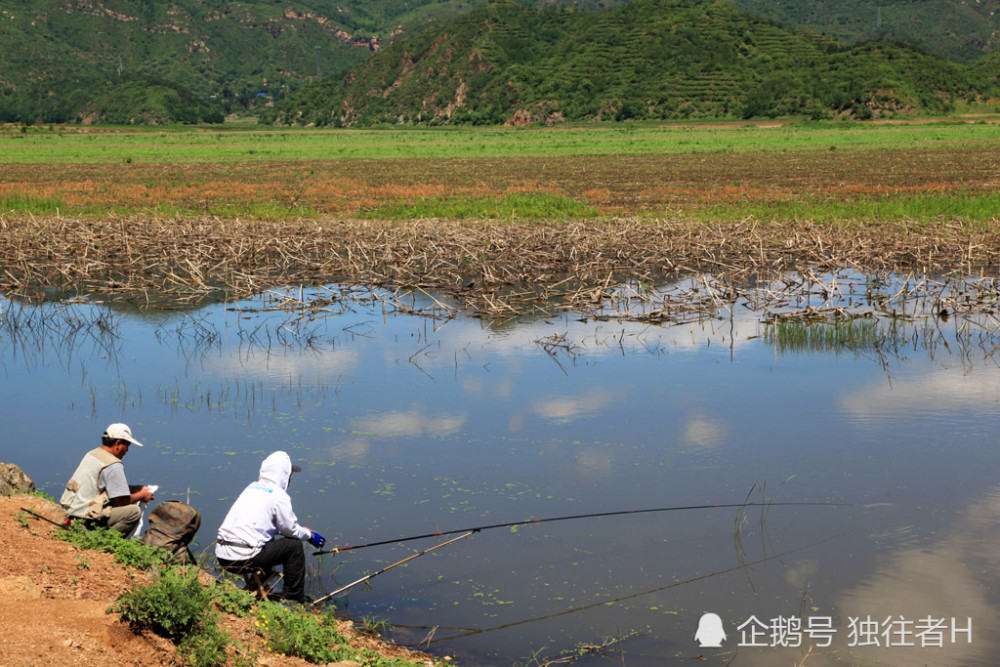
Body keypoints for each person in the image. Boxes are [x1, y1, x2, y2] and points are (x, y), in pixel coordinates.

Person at [215, 451, 325, 604]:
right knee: (293, 546)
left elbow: (265, 525)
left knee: (268, 540)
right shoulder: (280, 496)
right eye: (289, 474)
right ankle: (292, 599)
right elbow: (291, 531)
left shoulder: (251, 488)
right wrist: (310, 535)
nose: (290, 478)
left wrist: (300, 529)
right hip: (243, 559)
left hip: (223, 556)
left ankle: (261, 585)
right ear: (284, 475)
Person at [60, 423, 156, 536]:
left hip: (70, 513)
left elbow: (101, 486)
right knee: (134, 512)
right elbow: (122, 502)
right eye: (127, 446)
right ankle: (102, 541)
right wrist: (142, 496)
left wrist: (132, 488)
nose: (127, 450)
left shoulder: (92, 454)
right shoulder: (113, 465)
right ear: (118, 443)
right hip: (85, 518)